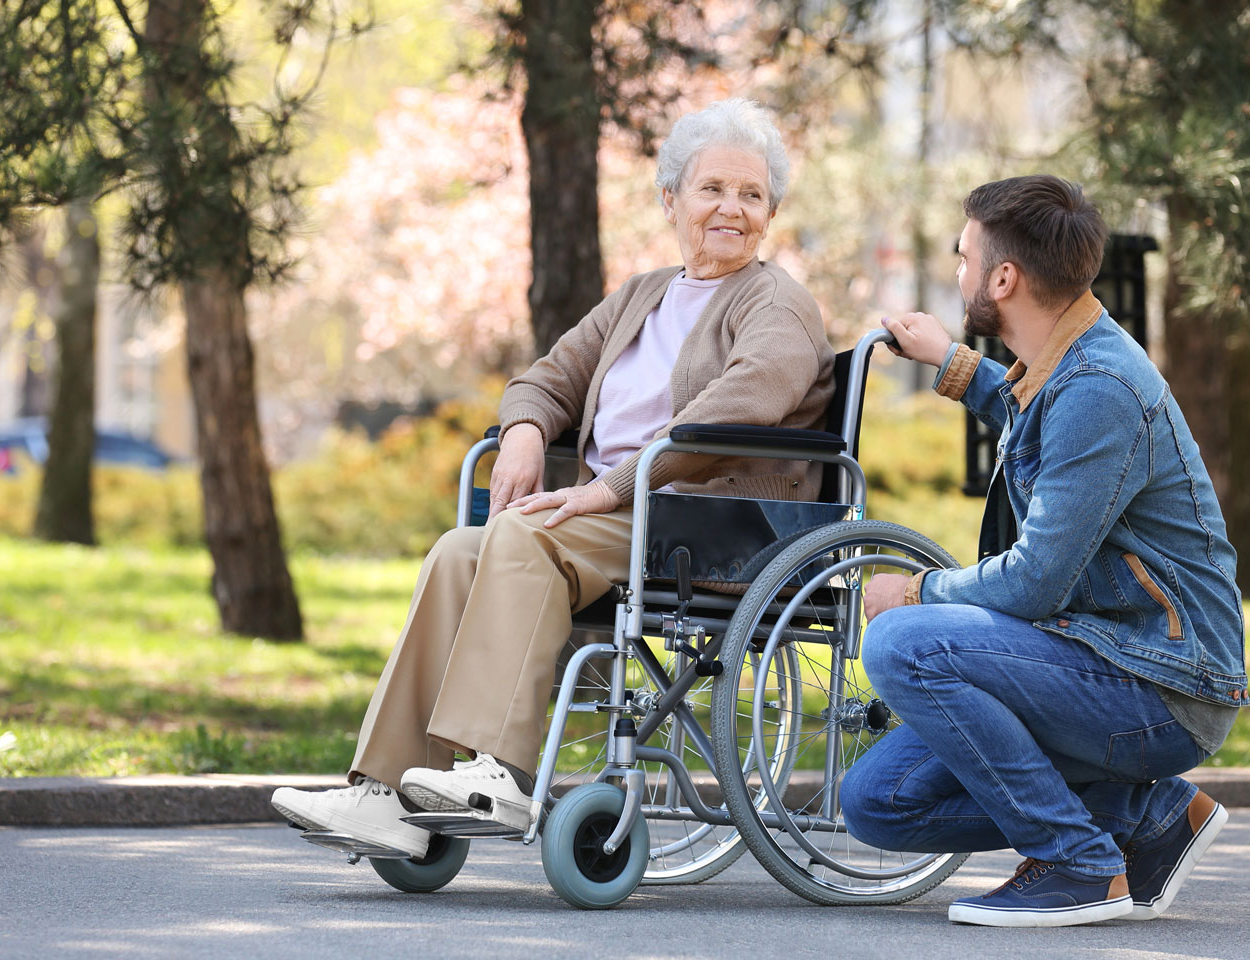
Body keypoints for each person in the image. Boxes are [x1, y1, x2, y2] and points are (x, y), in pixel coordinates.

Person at [272, 99, 834, 858]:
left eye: (752, 194)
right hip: (621, 514)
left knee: (525, 539)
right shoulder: (643, 294)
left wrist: (610, 486)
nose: (731, 209)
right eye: (712, 190)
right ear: (671, 199)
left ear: (771, 212)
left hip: (709, 523)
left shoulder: (778, 304)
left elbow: (738, 407)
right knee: (456, 551)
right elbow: (549, 376)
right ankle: (385, 790)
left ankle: (497, 772)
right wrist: (527, 434)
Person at [840, 174, 1246, 927]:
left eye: (965, 258)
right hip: (1099, 657)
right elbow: (1034, 418)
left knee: (903, 643)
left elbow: (1032, 585)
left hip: (1160, 683)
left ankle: (1079, 863)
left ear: (1004, 278)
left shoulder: (1100, 386)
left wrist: (919, 591)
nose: (958, 273)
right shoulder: (1072, 365)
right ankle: (1145, 816)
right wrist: (951, 362)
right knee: (877, 805)